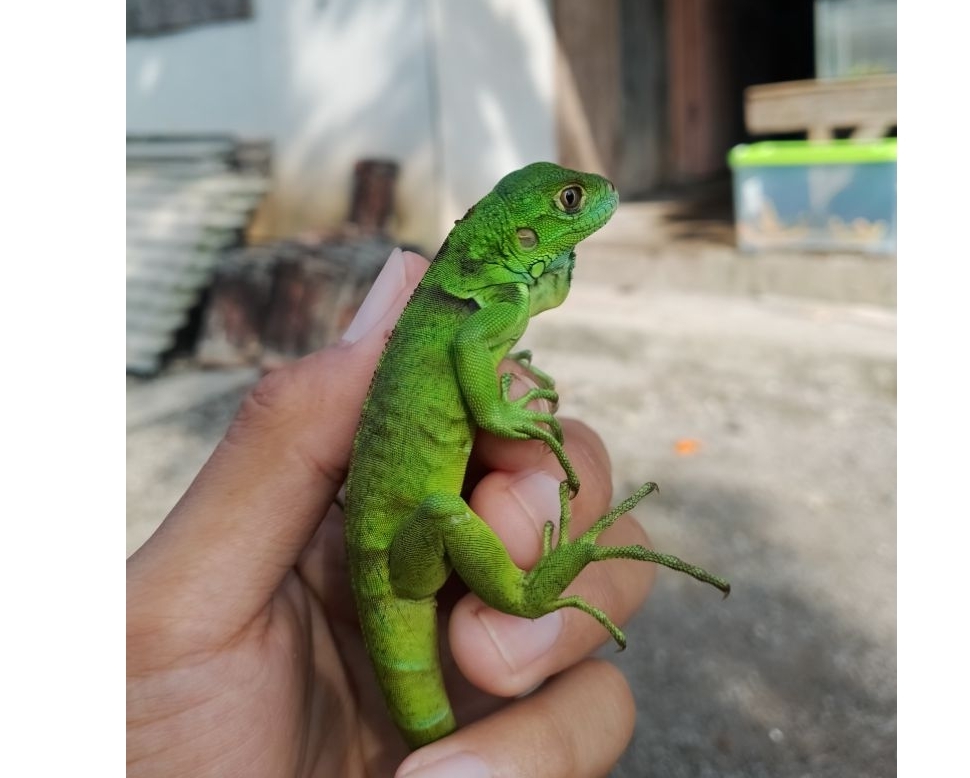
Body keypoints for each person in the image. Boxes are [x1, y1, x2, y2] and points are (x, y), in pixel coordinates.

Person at [127, 249, 663, 778]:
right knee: (444, 510)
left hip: (395, 562)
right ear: (522, 237)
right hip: (399, 571)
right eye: (567, 205)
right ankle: (524, 596)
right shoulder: (476, 318)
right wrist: (498, 410)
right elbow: (473, 356)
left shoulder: (482, 308)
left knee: (454, 507)